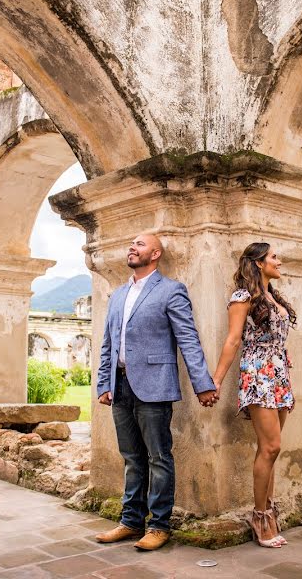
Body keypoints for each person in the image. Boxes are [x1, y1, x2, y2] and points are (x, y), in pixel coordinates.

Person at [94, 233, 219, 551]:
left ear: (155, 253)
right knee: (131, 458)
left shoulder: (171, 291)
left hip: (154, 386)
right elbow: (108, 343)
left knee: (158, 457)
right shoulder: (117, 295)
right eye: (130, 244)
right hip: (120, 386)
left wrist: (202, 383)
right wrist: (104, 384)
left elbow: (188, 339)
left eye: (139, 244)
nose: (131, 247)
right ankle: (130, 521)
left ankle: (159, 526)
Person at [211, 242, 296, 548]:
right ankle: (259, 515)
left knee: (269, 448)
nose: (280, 261)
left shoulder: (273, 296)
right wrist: (217, 380)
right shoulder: (242, 297)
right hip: (258, 374)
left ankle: (269, 511)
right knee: (271, 447)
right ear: (259, 263)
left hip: (279, 374)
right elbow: (233, 341)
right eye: (274, 256)